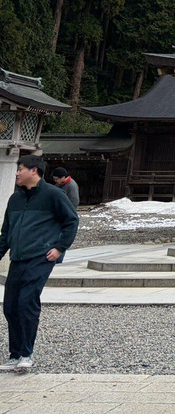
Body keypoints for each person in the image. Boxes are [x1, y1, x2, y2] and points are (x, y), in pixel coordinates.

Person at [0, 155, 79, 371]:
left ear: (34, 171)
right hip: (18, 257)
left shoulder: (53, 195)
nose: (17, 173)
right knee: (10, 306)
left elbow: (71, 220)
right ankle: (15, 355)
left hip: (41, 257)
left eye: (21, 169)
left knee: (26, 302)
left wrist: (60, 247)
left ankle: (26, 353)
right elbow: (6, 232)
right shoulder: (15, 199)